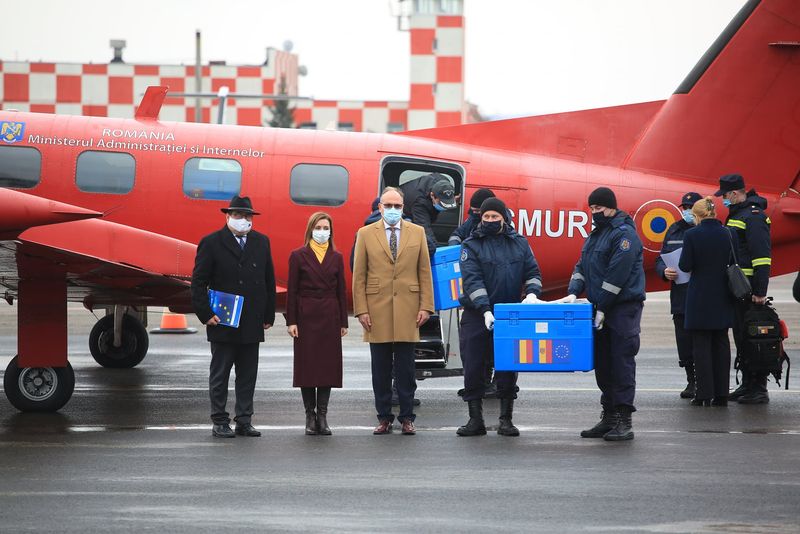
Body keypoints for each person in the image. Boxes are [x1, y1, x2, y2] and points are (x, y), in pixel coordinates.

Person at [563, 187, 645, 441]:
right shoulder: (596, 235)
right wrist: (574, 291)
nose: (595, 213)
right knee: (604, 364)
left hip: (621, 309)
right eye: (592, 209)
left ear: (611, 207)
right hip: (600, 309)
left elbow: (616, 275)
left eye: (599, 208)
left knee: (621, 362)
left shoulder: (624, 235)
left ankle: (623, 420)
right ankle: (608, 416)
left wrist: (604, 309)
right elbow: (582, 265)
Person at [456, 197, 542, 437]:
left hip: (508, 314)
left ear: (504, 217)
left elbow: (533, 271)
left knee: (507, 365)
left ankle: (506, 419)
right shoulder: (471, 245)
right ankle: (475, 420)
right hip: (477, 314)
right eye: (486, 217)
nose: (491, 220)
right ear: (480, 218)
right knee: (473, 365)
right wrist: (484, 309)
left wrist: (533, 294)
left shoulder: (519, 243)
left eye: (495, 216)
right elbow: (472, 280)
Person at [191, 195, 276, 438]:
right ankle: (219, 420)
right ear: (228, 216)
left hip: (251, 320)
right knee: (220, 373)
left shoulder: (261, 242)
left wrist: (268, 313)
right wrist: (205, 313)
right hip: (223, 320)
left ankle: (244, 419)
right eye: (238, 215)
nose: (243, 220)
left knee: (247, 374)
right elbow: (198, 282)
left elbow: (268, 281)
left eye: (247, 216)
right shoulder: (211, 242)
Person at [352, 186, 435, 435]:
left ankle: (407, 417)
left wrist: (426, 306)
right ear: (379, 208)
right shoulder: (365, 234)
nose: (392, 210)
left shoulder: (417, 233)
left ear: (403, 208)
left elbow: (424, 272)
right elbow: (360, 275)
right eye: (387, 206)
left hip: (409, 309)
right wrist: (361, 310)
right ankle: (384, 417)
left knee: (406, 370)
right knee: (380, 369)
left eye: (397, 206)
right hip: (376, 309)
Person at [286, 212, 348, 435]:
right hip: (305, 315)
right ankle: (309, 415)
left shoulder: (337, 257)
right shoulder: (298, 255)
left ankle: (323, 414)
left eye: (326, 228)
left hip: (329, 315)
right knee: (307, 367)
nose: (322, 232)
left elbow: (341, 290)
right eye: (318, 227)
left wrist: (343, 321)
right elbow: (291, 290)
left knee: (327, 367)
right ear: (310, 229)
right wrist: (291, 320)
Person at [715, 174, 772, 404]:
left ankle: (759, 387)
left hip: (749, 290)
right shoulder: (738, 215)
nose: (724, 200)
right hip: (738, 289)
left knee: (753, 339)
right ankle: (747, 383)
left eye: (726, 196)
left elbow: (761, 258)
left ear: (736, 194)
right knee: (741, 337)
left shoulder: (754, 217)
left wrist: (760, 290)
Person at [678, 197, 734, 406]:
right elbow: (733, 261)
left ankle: (703, 394)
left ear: (697, 215)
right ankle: (721, 394)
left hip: (699, 295)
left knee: (700, 346)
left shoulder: (691, 235)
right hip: (722, 295)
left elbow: (685, 265)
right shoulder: (728, 233)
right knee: (721, 343)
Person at [654, 192, 702, 399]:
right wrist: (664, 272)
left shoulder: (705, 229)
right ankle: (691, 380)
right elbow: (660, 259)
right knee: (684, 341)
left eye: (691, 208)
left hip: (700, 294)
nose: (687, 211)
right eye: (684, 208)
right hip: (680, 294)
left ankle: (704, 380)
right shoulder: (673, 230)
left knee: (701, 339)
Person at [400, 172, 458, 256]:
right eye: (440, 203)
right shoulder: (419, 202)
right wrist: (439, 253)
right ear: (432, 195)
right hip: (406, 211)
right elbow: (425, 230)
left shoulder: (444, 183)